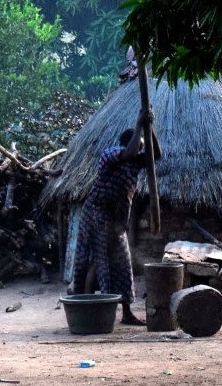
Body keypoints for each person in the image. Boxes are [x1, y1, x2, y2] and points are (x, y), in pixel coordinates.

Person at [69, 106, 162, 324]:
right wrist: (139, 124)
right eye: (138, 145)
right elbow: (129, 153)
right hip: (96, 214)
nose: (141, 149)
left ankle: (126, 313)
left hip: (117, 222)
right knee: (97, 261)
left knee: (123, 264)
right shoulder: (110, 154)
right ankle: (89, 309)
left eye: (142, 147)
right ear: (126, 143)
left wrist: (149, 128)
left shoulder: (135, 163)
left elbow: (156, 155)